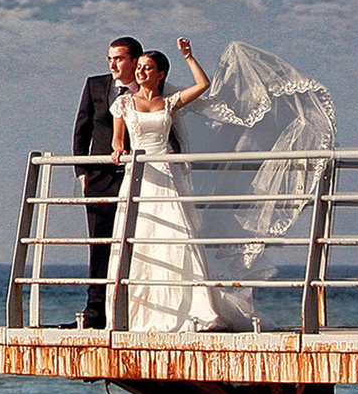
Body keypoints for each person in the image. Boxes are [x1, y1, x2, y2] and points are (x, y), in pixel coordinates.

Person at [107, 38, 255, 333]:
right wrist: (116, 151)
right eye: (139, 68)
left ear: (160, 74)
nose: (141, 73)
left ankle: (192, 307)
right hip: (140, 176)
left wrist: (188, 56)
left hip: (167, 174)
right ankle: (137, 311)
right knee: (139, 239)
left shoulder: (169, 103)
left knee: (175, 237)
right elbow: (117, 139)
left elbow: (203, 84)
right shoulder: (124, 103)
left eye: (148, 68)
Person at [71, 37, 141, 327]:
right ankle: (95, 310)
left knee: (138, 243)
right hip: (99, 176)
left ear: (135, 61)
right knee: (99, 243)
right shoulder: (95, 85)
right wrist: (82, 172)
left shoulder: (150, 87)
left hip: (138, 176)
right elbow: (81, 129)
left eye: (119, 58)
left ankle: (134, 308)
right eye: (110, 58)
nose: (113, 64)